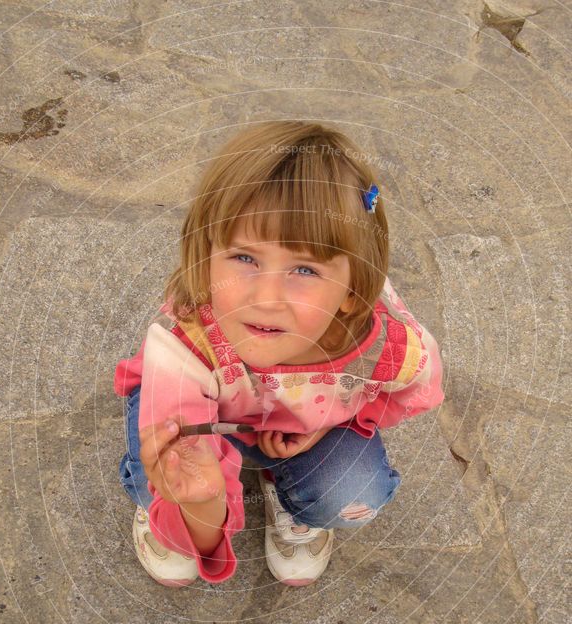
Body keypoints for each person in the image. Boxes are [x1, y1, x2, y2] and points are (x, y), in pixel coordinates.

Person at [114, 120, 444, 588]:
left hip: (297, 421)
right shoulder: (184, 346)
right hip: (199, 419)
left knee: (353, 495)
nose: (266, 298)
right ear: (205, 257)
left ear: (353, 290)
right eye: (245, 258)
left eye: (305, 268)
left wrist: (333, 421)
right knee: (163, 480)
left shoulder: (387, 347)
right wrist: (202, 501)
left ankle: (286, 489)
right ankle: (176, 510)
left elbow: (414, 388)